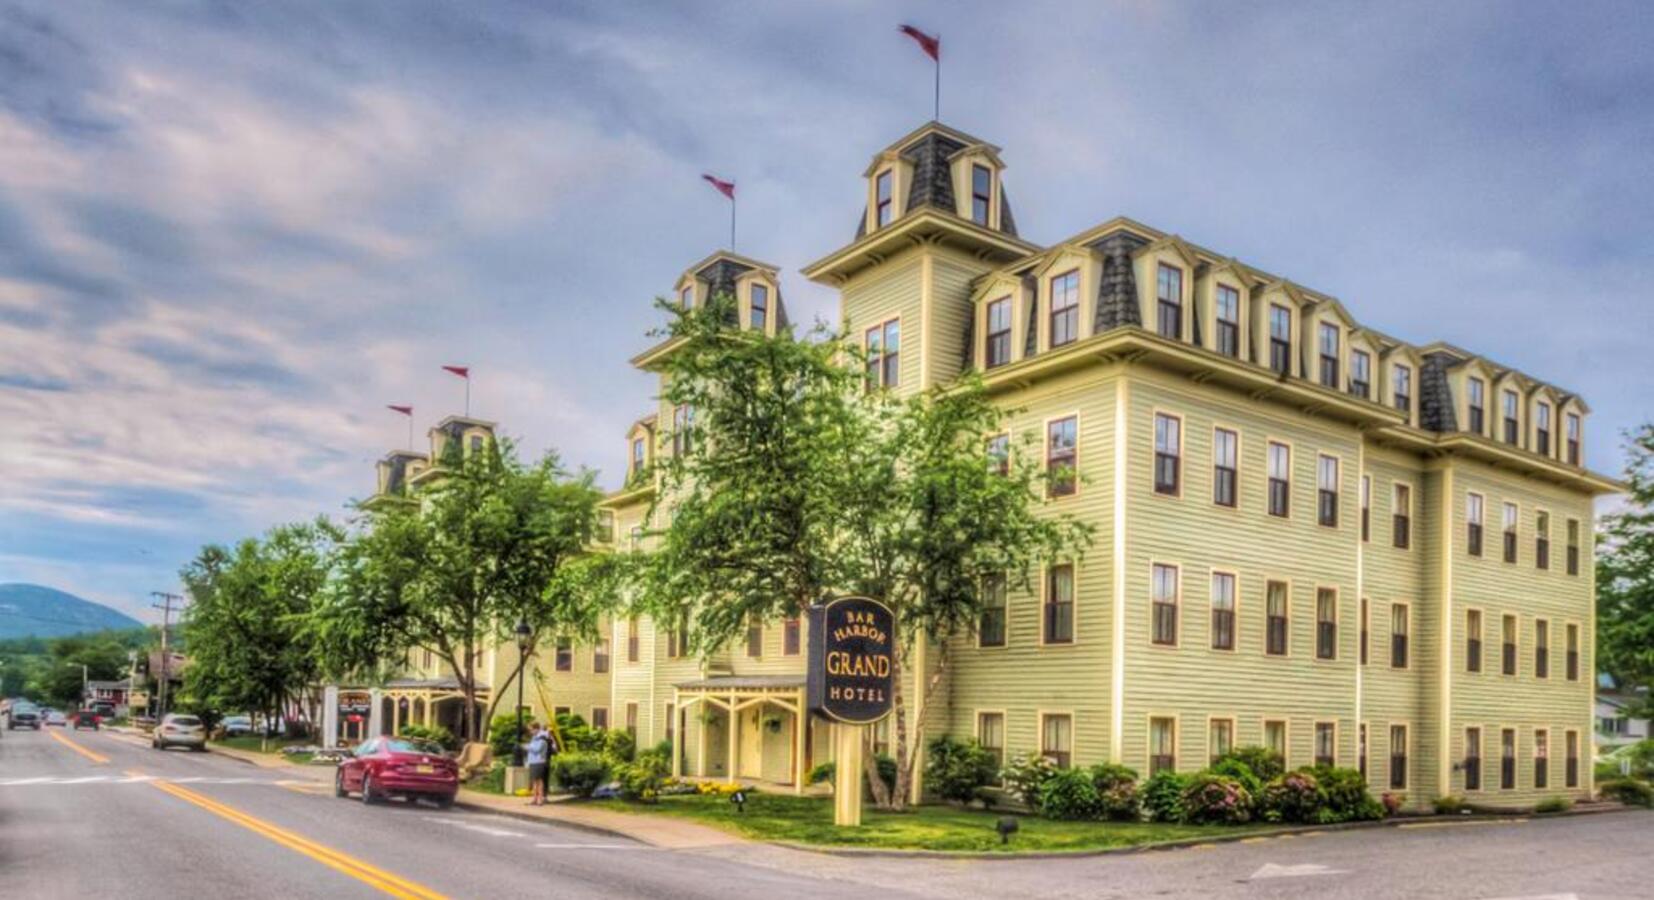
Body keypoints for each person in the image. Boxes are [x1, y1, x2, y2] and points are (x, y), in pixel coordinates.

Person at [523, 721, 551, 806]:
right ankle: (534, 798)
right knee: (534, 781)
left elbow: (537, 749)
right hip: (533, 761)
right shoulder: (534, 738)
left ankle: (540, 799)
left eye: (532, 730)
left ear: (536, 729)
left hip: (539, 761)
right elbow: (533, 748)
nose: (530, 732)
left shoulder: (542, 738)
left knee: (539, 781)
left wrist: (527, 747)